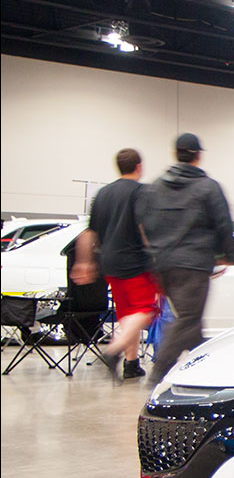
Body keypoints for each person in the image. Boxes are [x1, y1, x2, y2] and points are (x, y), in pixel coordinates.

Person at [137, 133, 234, 384]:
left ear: (175, 154)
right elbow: (223, 223)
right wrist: (227, 254)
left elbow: (144, 222)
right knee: (188, 319)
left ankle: (204, 365)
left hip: (163, 264)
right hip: (193, 265)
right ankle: (160, 371)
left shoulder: (155, 186)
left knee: (191, 321)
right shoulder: (208, 187)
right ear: (198, 156)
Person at [72, 148, 160, 382]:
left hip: (109, 263)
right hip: (135, 262)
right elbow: (146, 227)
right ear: (139, 167)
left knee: (127, 314)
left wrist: (84, 262)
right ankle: (113, 352)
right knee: (145, 310)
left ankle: (132, 363)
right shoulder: (142, 192)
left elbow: (90, 232)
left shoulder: (103, 194)